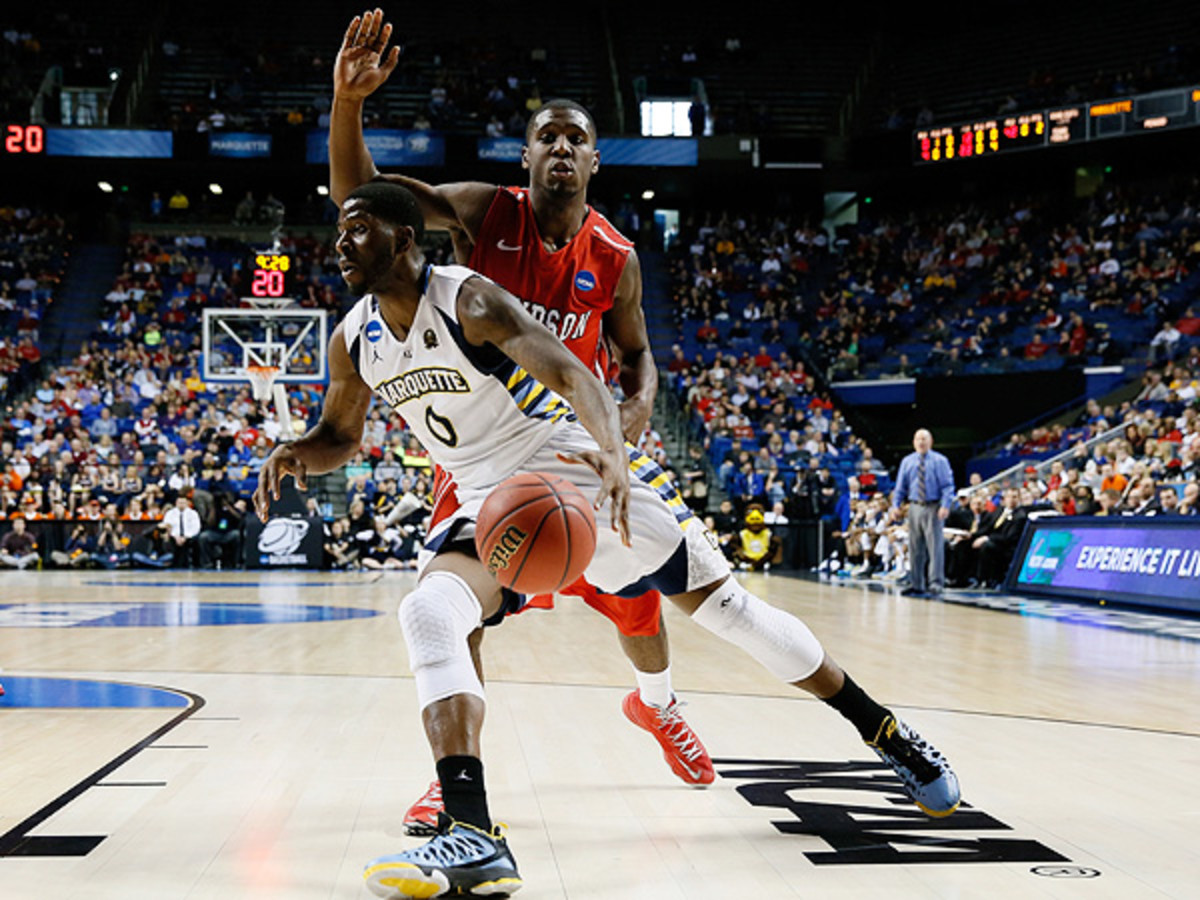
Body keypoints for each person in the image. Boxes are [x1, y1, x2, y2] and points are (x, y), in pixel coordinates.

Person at [255, 183, 960, 899]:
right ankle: (473, 831)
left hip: (569, 464)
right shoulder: (354, 338)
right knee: (430, 612)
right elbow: (340, 433)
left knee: (731, 613)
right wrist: (297, 452)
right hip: (482, 496)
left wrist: (617, 456)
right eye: (340, 231)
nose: (340, 243)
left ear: (404, 239)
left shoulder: (468, 298)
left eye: (358, 228)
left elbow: (571, 371)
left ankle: (886, 732)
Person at [329, 9, 715, 828]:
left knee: (641, 600)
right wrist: (350, 103)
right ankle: (453, 778)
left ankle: (657, 704)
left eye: (577, 138)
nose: (562, 149)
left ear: (594, 158)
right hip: (486, 450)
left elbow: (635, 354)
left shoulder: (616, 255)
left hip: (573, 447)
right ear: (528, 154)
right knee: (452, 608)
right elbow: (371, 199)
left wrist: (635, 411)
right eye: (548, 137)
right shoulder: (484, 212)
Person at [891, 429, 955, 597]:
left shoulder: (940, 461)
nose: (921, 442)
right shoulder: (907, 461)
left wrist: (945, 505)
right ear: (914, 442)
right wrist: (895, 506)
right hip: (914, 506)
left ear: (930, 441)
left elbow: (948, 486)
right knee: (915, 547)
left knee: (935, 547)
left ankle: (936, 583)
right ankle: (916, 583)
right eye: (918, 439)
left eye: (924, 439)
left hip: (933, 506)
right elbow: (900, 487)